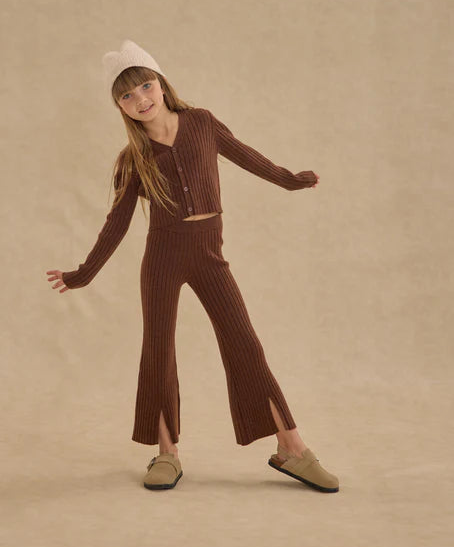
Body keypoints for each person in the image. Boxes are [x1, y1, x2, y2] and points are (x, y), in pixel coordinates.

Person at [46, 39, 339, 493]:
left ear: (161, 83)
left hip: (209, 254)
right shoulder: (133, 158)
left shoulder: (201, 123)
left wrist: (289, 180)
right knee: (158, 351)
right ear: (120, 106)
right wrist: (82, 274)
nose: (141, 99)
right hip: (162, 257)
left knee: (245, 344)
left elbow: (245, 155)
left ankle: (292, 448)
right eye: (127, 95)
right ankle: (167, 453)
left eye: (145, 85)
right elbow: (117, 223)